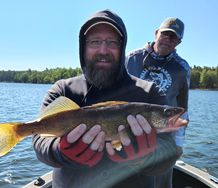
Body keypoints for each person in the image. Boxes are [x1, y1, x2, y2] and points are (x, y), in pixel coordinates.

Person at [33, 10, 186, 188]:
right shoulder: (62, 90)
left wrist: (148, 156)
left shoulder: (151, 92)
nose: (103, 50)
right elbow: (39, 137)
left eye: (112, 42)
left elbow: (171, 149)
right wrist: (59, 151)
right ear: (83, 47)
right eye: (94, 42)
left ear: (122, 48)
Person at [126, 17, 190, 188]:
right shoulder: (131, 59)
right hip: (128, 132)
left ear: (179, 42)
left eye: (173, 37)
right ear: (156, 33)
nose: (168, 40)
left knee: (160, 181)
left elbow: (183, 108)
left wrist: (179, 144)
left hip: (162, 139)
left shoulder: (182, 68)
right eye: (164, 34)